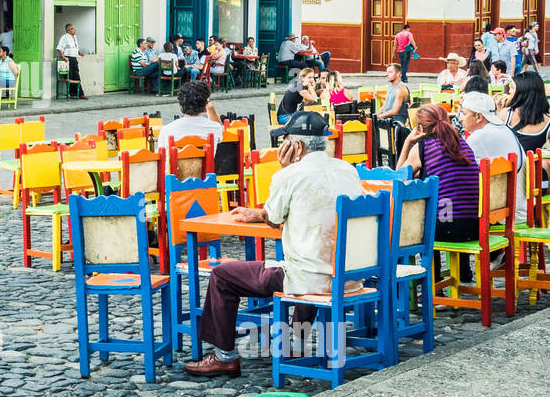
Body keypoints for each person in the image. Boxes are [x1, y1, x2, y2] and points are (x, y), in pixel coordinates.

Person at [184, 111, 362, 378]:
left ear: (297, 146)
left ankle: (224, 356)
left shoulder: (290, 175)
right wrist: (263, 212)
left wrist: (283, 171)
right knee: (309, 259)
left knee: (222, 276)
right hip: (348, 275)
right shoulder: (348, 170)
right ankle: (295, 344)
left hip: (310, 278)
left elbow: (274, 218)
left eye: (285, 140)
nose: (281, 146)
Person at [397, 104, 480, 281]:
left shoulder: (423, 147)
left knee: (424, 218)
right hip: (475, 226)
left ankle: (432, 285)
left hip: (447, 229)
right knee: (453, 200)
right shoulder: (461, 142)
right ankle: (464, 273)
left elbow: (398, 178)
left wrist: (407, 142)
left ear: (420, 128)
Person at [505, 71, 550, 194]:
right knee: (547, 181)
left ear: (522, 92)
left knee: (544, 172)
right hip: (531, 184)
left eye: (512, 88)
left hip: (506, 180)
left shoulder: (504, 115)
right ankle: (545, 211)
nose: (509, 91)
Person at [459, 90, 526, 218]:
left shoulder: (478, 137)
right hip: (517, 209)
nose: (461, 118)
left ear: (478, 116)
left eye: (464, 113)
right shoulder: (505, 129)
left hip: (503, 214)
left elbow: (457, 171)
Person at [157, 80, 224, 151]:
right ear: (206, 103)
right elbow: (219, 129)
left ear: (181, 102)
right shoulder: (214, 128)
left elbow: (161, 156)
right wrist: (210, 109)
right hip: (205, 162)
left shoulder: (166, 130)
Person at [56, 24, 85, 99]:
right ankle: (72, 94)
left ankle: (80, 94)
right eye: (72, 29)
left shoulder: (74, 37)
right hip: (68, 59)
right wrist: (63, 57)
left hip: (74, 58)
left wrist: (79, 52)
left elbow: (75, 48)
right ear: (68, 30)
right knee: (69, 76)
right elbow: (59, 48)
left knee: (76, 76)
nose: (74, 30)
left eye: (74, 29)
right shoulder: (64, 37)